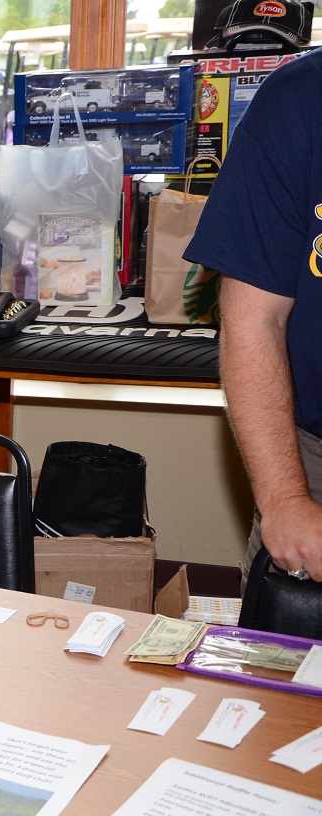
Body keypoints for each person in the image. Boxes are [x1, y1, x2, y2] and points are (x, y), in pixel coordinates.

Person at [183, 47, 322, 584]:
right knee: (281, 666)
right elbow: (253, 318)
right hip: (312, 465)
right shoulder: (299, 99)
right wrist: (284, 500)